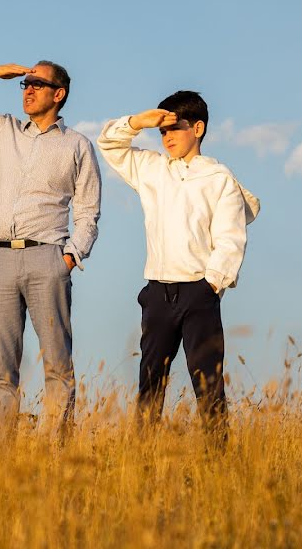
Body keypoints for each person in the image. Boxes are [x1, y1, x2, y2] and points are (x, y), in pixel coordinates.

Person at [0, 61, 102, 437]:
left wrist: (70, 256)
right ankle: (1, 460)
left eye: (37, 84)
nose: (27, 89)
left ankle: (57, 454)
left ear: (58, 94)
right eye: (25, 83)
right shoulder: (2, 129)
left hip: (48, 259)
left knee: (57, 365)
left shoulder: (77, 144)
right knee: (1, 370)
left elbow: (89, 211)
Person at [96, 91, 260, 444]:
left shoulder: (219, 178)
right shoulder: (152, 169)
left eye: (176, 128)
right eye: (163, 131)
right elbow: (108, 144)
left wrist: (210, 286)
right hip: (157, 293)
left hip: (198, 293)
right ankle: (142, 460)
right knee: (150, 382)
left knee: (208, 384)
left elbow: (230, 238)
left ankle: (216, 462)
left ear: (198, 128)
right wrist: (140, 122)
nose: (167, 137)